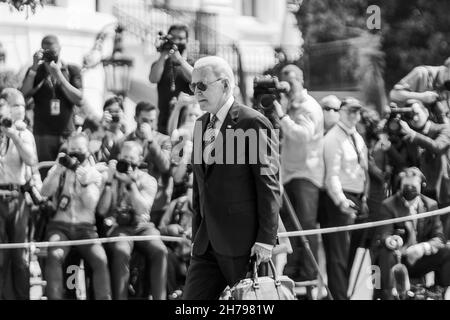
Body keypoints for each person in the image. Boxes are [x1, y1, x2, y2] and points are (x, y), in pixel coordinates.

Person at [182, 56, 281, 300]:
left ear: (225, 85)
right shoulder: (200, 124)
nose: (197, 92)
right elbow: (200, 184)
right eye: (193, 86)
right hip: (206, 244)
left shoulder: (253, 122)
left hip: (244, 245)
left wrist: (266, 240)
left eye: (202, 85)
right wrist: (197, 235)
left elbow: (269, 184)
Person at [40, 133, 111, 300]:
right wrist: (58, 169)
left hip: (85, 229)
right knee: (55, 255)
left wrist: (84, 181)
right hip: (60, 226)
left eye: (80, 149)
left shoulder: (94, 171)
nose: (76, 153)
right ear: (67, 149)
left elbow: (91, 203)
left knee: (100, 259)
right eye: (72, 149)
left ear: (87, 151)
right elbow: (44, 192)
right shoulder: (61, 167)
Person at [273, 64, 324, 286]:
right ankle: (293, 270)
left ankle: (310, 272)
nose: (288, 88)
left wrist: (282, 116)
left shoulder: (309, 106)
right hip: (288, 175)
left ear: (301, 80)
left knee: (306, 223)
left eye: (291, 82)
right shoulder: (290, 105)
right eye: (284, 83)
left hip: (306, 174)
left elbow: (303, 135)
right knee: (290, 227)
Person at [98, 141, 168, 300]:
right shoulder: (110, 176)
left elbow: (143, 210)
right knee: (121, 251)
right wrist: (109, 181)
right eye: (124, 157)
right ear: (119, 157)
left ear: (139, 159)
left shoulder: (149, 180)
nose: (127, 162)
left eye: (131, 158)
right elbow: (102, 210)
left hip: (142, 226)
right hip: (120, 227)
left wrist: (131, 185)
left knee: (160, 250)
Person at [374, 167, 450, 300]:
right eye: (406, 185)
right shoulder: (388, 205)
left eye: (413, 186)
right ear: (400, 185)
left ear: (422, 186)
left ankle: (438, 292)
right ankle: (390, 295)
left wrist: (423, 247)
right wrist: (392, 241)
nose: (409, 189)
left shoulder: (431, 205)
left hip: (419, 259)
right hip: (398, 260)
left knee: (447, 250)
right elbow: (384, 234)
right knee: (386, 252)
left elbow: (439, 238)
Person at [322, 97, 369, 300]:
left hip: (357, 198)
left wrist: (364, 198)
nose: (354, 115)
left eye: (357, 111)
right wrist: (341, 200)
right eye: (350, 111)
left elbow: (362, 169)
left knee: (350, 254)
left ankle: (343, 294)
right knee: (337, 256)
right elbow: (331, 176)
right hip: (339, 200)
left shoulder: (356, 136)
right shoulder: (334, 138)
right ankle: (337, 296)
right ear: (341, 112)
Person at [21, 35, 83, 174]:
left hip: (67, 133)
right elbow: (23, 95)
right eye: (45, 50)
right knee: (45, 172)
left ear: (60, 49)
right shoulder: (37, 71)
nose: (49, 53)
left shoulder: (72, 70)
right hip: (43, 134)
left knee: (68, 172)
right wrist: (34, 67)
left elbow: (79, 99)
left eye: (52, 50)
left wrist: (59, 76)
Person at [0, 88, 37, 299]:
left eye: (23, 106)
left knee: (20, 257)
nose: (21, 110)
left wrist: (13, 134)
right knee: (0, 258)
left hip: (17, 199)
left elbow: (32, 161)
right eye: (15, 106)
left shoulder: (24, 134)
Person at [111, 101, 172, 227]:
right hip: (128, 204)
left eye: (152, 120)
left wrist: (151, 141)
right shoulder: (122, 142)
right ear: (135, 118)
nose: (148, 124)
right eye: (145, 120)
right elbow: (113, 168)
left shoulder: (164, 140)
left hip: (156, 205)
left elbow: (165, 167)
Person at [398, 99, 450, 236]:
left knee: (443, 236)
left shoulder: (443, 129)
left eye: (416, 113)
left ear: (426, 112)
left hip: (443, 192)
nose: (414, 118)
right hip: (422, 193)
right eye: (410, 116)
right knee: (425, 234)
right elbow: (405, 163)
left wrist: (414, 135)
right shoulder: (409, 137)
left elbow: (437, 147)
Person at [149, 24, 193, 135]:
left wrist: (180, 60)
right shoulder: (161, 63)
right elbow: (153, 78)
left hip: (187, 123)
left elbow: (194, 78)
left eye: (181, 38)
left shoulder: (192, 64)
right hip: (163, 123)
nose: (176, 41)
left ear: (187, 41)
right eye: (173, 38)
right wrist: (163, 55)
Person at [390, 57, 450, 124]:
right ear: (446, 69)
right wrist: (421, 97)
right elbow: (394, 94)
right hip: (404, 125)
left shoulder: (446, 86)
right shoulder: (421, 72)